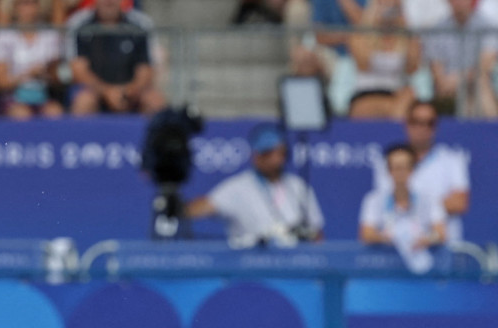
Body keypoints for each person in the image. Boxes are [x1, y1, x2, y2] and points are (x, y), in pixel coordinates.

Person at [185, 124, 325, 249]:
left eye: (279, 153)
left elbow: (316, 233)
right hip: (250, 265)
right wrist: (177, 210)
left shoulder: (298, 186)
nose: (275, 160)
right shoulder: (238, 187)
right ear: (256, 156)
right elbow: (205, 206)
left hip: (295, 264)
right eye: (267, 154)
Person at [372, 99, 469, 242]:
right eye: (416, 121)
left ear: (436, 127)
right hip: (399, 250)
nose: (422, 128)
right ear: (406, 124)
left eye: (429, 123)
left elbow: (459, 203)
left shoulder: (452, 160)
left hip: (444, 249)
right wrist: (435, 204)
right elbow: (388, 200)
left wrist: (415, 203)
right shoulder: (389, 160)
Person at [66, 0, 165, 116]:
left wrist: (130, 91)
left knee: (155, 102)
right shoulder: (79, 23)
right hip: (94, 90)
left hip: (132, 92)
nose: (109, 2)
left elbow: (145, 68)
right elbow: (79, 70)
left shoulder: (141, 23)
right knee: (84, 102)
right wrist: (106, 92)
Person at [359, 143, 446, 272]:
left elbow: (440, 233)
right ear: (389, 170)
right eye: (396, 168)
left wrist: (425, 239)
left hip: (421, 268)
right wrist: (391, 238)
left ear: (412, 170)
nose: (401, 173)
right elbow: (366, 234)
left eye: (405, 167)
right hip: (386, 269)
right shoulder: (374, 200)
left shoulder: (429, 200)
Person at [421, 0, 498, 117]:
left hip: (473, 86)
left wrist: (456, 80)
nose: (458, 2)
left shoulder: (487, 26)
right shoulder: (437, 29)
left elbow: (483, 67)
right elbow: (438, 76)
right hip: (448, 92)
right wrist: (455, 82)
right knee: (474, 91)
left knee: (479, 85)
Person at [0, 0, 64, 119]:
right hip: (13, 97)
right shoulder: (3, 36)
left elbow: (56, 79)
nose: (28, 10)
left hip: (42, 95)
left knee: (55, 112)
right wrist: (27, 75)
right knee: (22, 114)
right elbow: (0, 82)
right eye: (23, 4)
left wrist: (47, 73)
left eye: (32, 3)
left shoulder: (49, 36)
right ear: (14, 8)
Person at [346, 0, 420, 120]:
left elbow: (413, 67)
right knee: (370, 108)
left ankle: (395, 132)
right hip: (367, 92)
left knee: (408, 95)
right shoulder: (360, 34)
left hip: (395, 93)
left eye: (393, 6)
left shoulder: (406, 37)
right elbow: (363, 62)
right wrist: (374, 21)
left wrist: (405, 25)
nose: (388, 8)